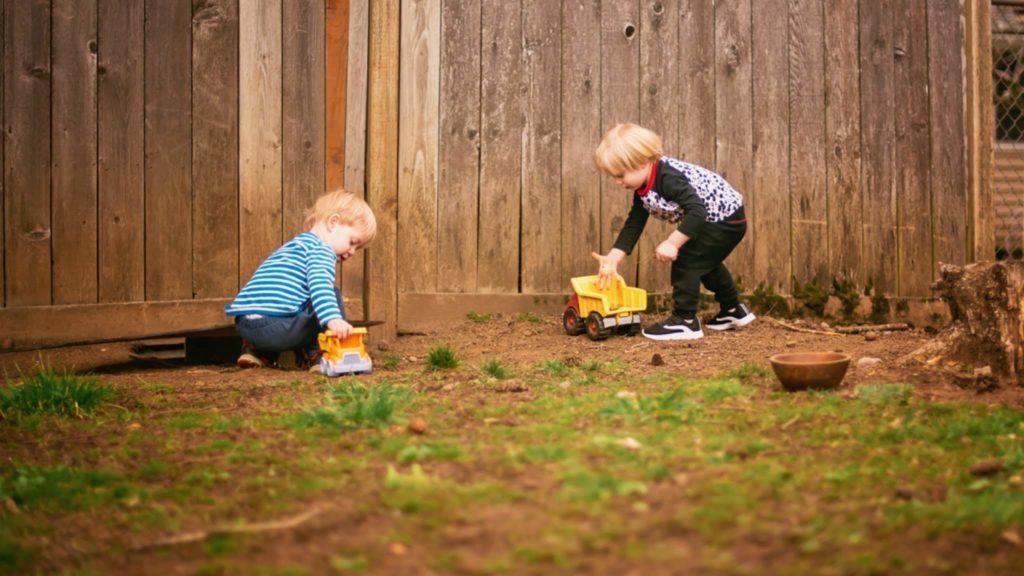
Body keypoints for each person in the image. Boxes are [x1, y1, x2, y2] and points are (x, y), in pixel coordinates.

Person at [590, 123, 755, 341]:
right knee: (705, 263)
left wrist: (673, 242)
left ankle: (684, 321)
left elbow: (697, 211)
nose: (617, 181)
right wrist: (614, 257)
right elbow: (635, 222)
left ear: (640, 163)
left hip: (723, 219)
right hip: (720, 220)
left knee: (687, 261)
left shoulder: (668, 178)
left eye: (621, 174)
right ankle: (733, 310)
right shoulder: (644, 186)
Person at [225, 190, 376, 369]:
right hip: (276, 330)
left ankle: (255, 352)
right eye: (352, 242)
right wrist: (333, 319)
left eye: (357, 248)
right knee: (331, 295)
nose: (352, 252)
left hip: (246, 326)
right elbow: (320, 288)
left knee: (288, 303)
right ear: (333, 222)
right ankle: (316, 355)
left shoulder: (294, 247)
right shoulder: (321, 250)